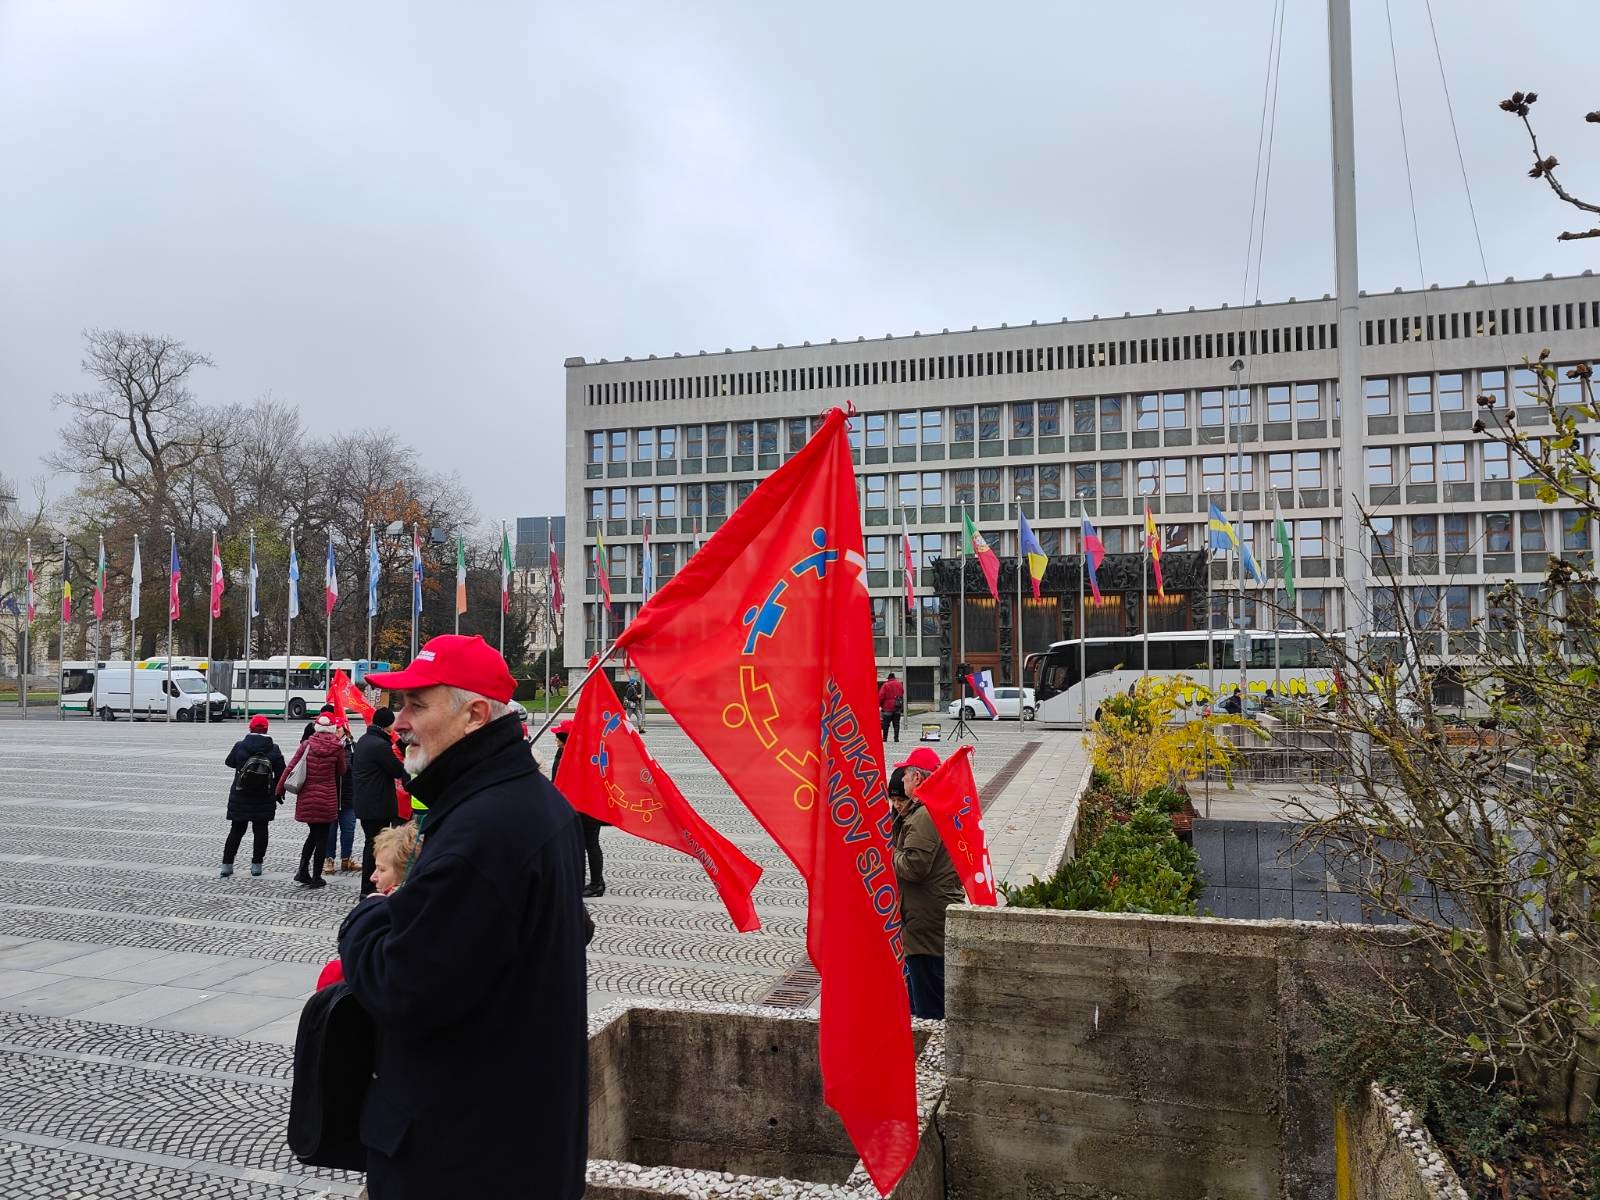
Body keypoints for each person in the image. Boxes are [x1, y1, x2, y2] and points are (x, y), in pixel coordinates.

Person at [337, 634, 587, 1199]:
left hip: (461, 1156)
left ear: (474, 715)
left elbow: (402, 986)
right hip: (517, 1138)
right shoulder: (535, 802)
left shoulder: (482, 832)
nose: (398, 721)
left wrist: (369, 916)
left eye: (416, 705)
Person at [890, 747, 965, 1020]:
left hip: (926, 923)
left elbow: (913, 866)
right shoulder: (923, 809)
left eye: (907, 774)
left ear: (918, 779)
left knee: (928, 1009)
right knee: (922, 997)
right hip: (926, 916)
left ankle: (930, 1058)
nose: (903, 779)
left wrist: (887, 851)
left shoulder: (925, 814)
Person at [316, 821, 421, 992]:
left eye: (381, 869)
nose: (373, 877)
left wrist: (373, 908)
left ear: (405, 873)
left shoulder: (396, 914)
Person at [279, 713, 347, 890]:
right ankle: (316, 876)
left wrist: (279, 789)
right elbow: (342, 770)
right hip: (327, 798)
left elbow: (291, 766)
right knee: (322, 836)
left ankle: (302, 870)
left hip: (308, 797)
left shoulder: (306, 745)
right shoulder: (337, 747)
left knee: (313, 834)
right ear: (332, 728)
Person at [352, 708, 409, 897]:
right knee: (375, 846)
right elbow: (396, 770)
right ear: (387, 724)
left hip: (365, 802)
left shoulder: (364, 741)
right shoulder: (379, 745)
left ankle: (368, 887)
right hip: (377, 805)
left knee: (371, 844)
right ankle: (369, 888)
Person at [221, 715, 285, 878]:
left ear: (250, 728)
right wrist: (279, 792)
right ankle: (256, 866)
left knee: (236, 830)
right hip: (264, 796)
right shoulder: (274, 748)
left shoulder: (240, 746)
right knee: (261, 830)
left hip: (240, 794)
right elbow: (281, 772)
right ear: (266, 729)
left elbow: (229, 762)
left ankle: (227, 866)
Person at [325, 723, 360, 875]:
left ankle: (346, 859)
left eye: (338, 729)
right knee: (330, 831)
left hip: (348, 795)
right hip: (330, 796)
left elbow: (356, 768)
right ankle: (329, 859)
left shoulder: (353, 746)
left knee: (348, 830)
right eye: (334, 729)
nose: (336, 732)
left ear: (345, 730)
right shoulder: (327, 746)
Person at [878, 672, 905, 743]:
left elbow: (881, 696)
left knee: (886, 724)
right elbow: (902, 692)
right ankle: (896, 738)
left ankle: (884, 738)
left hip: (887, 707)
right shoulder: (899, 684)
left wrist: (880, 704)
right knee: (896, 724)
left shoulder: (885, 685)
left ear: (888, 678)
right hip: (897, 706)